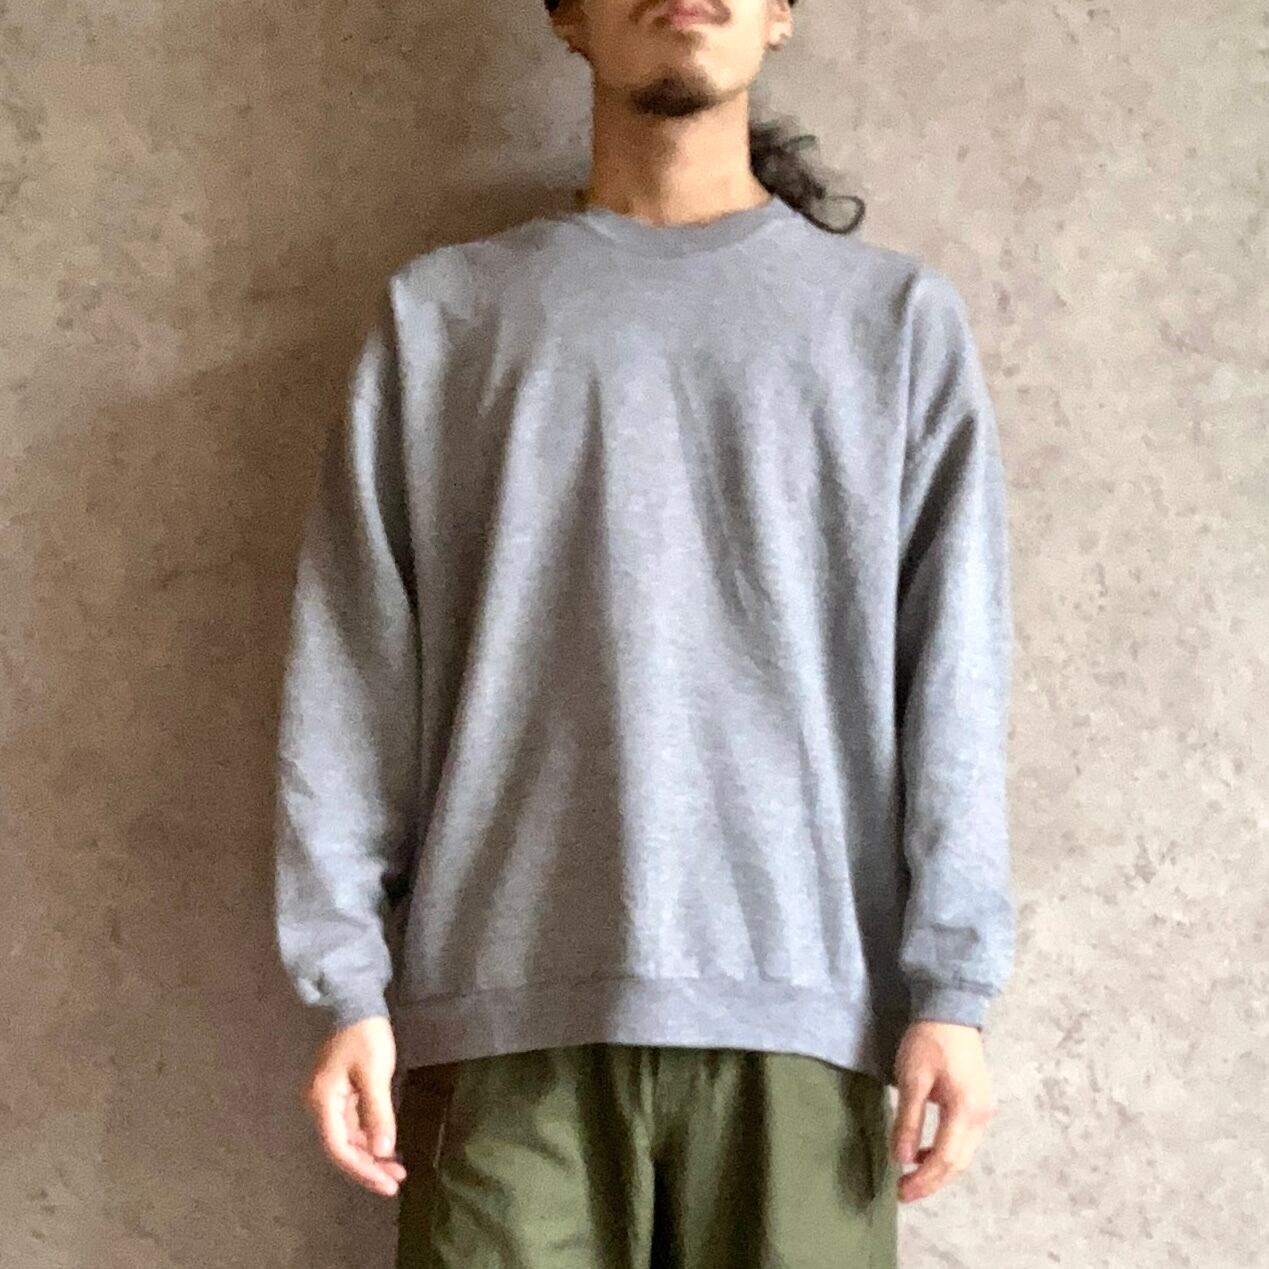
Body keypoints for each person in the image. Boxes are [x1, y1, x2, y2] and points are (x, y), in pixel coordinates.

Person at [272, 0, 1016, 1263]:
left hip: (808, 1019)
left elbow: (954, 674)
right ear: (566, 16)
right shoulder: (442, 319)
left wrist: (954, 988)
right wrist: (344, 980)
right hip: (502, 1023)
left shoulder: (894, 327)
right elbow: (352, 674)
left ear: (782, 14)